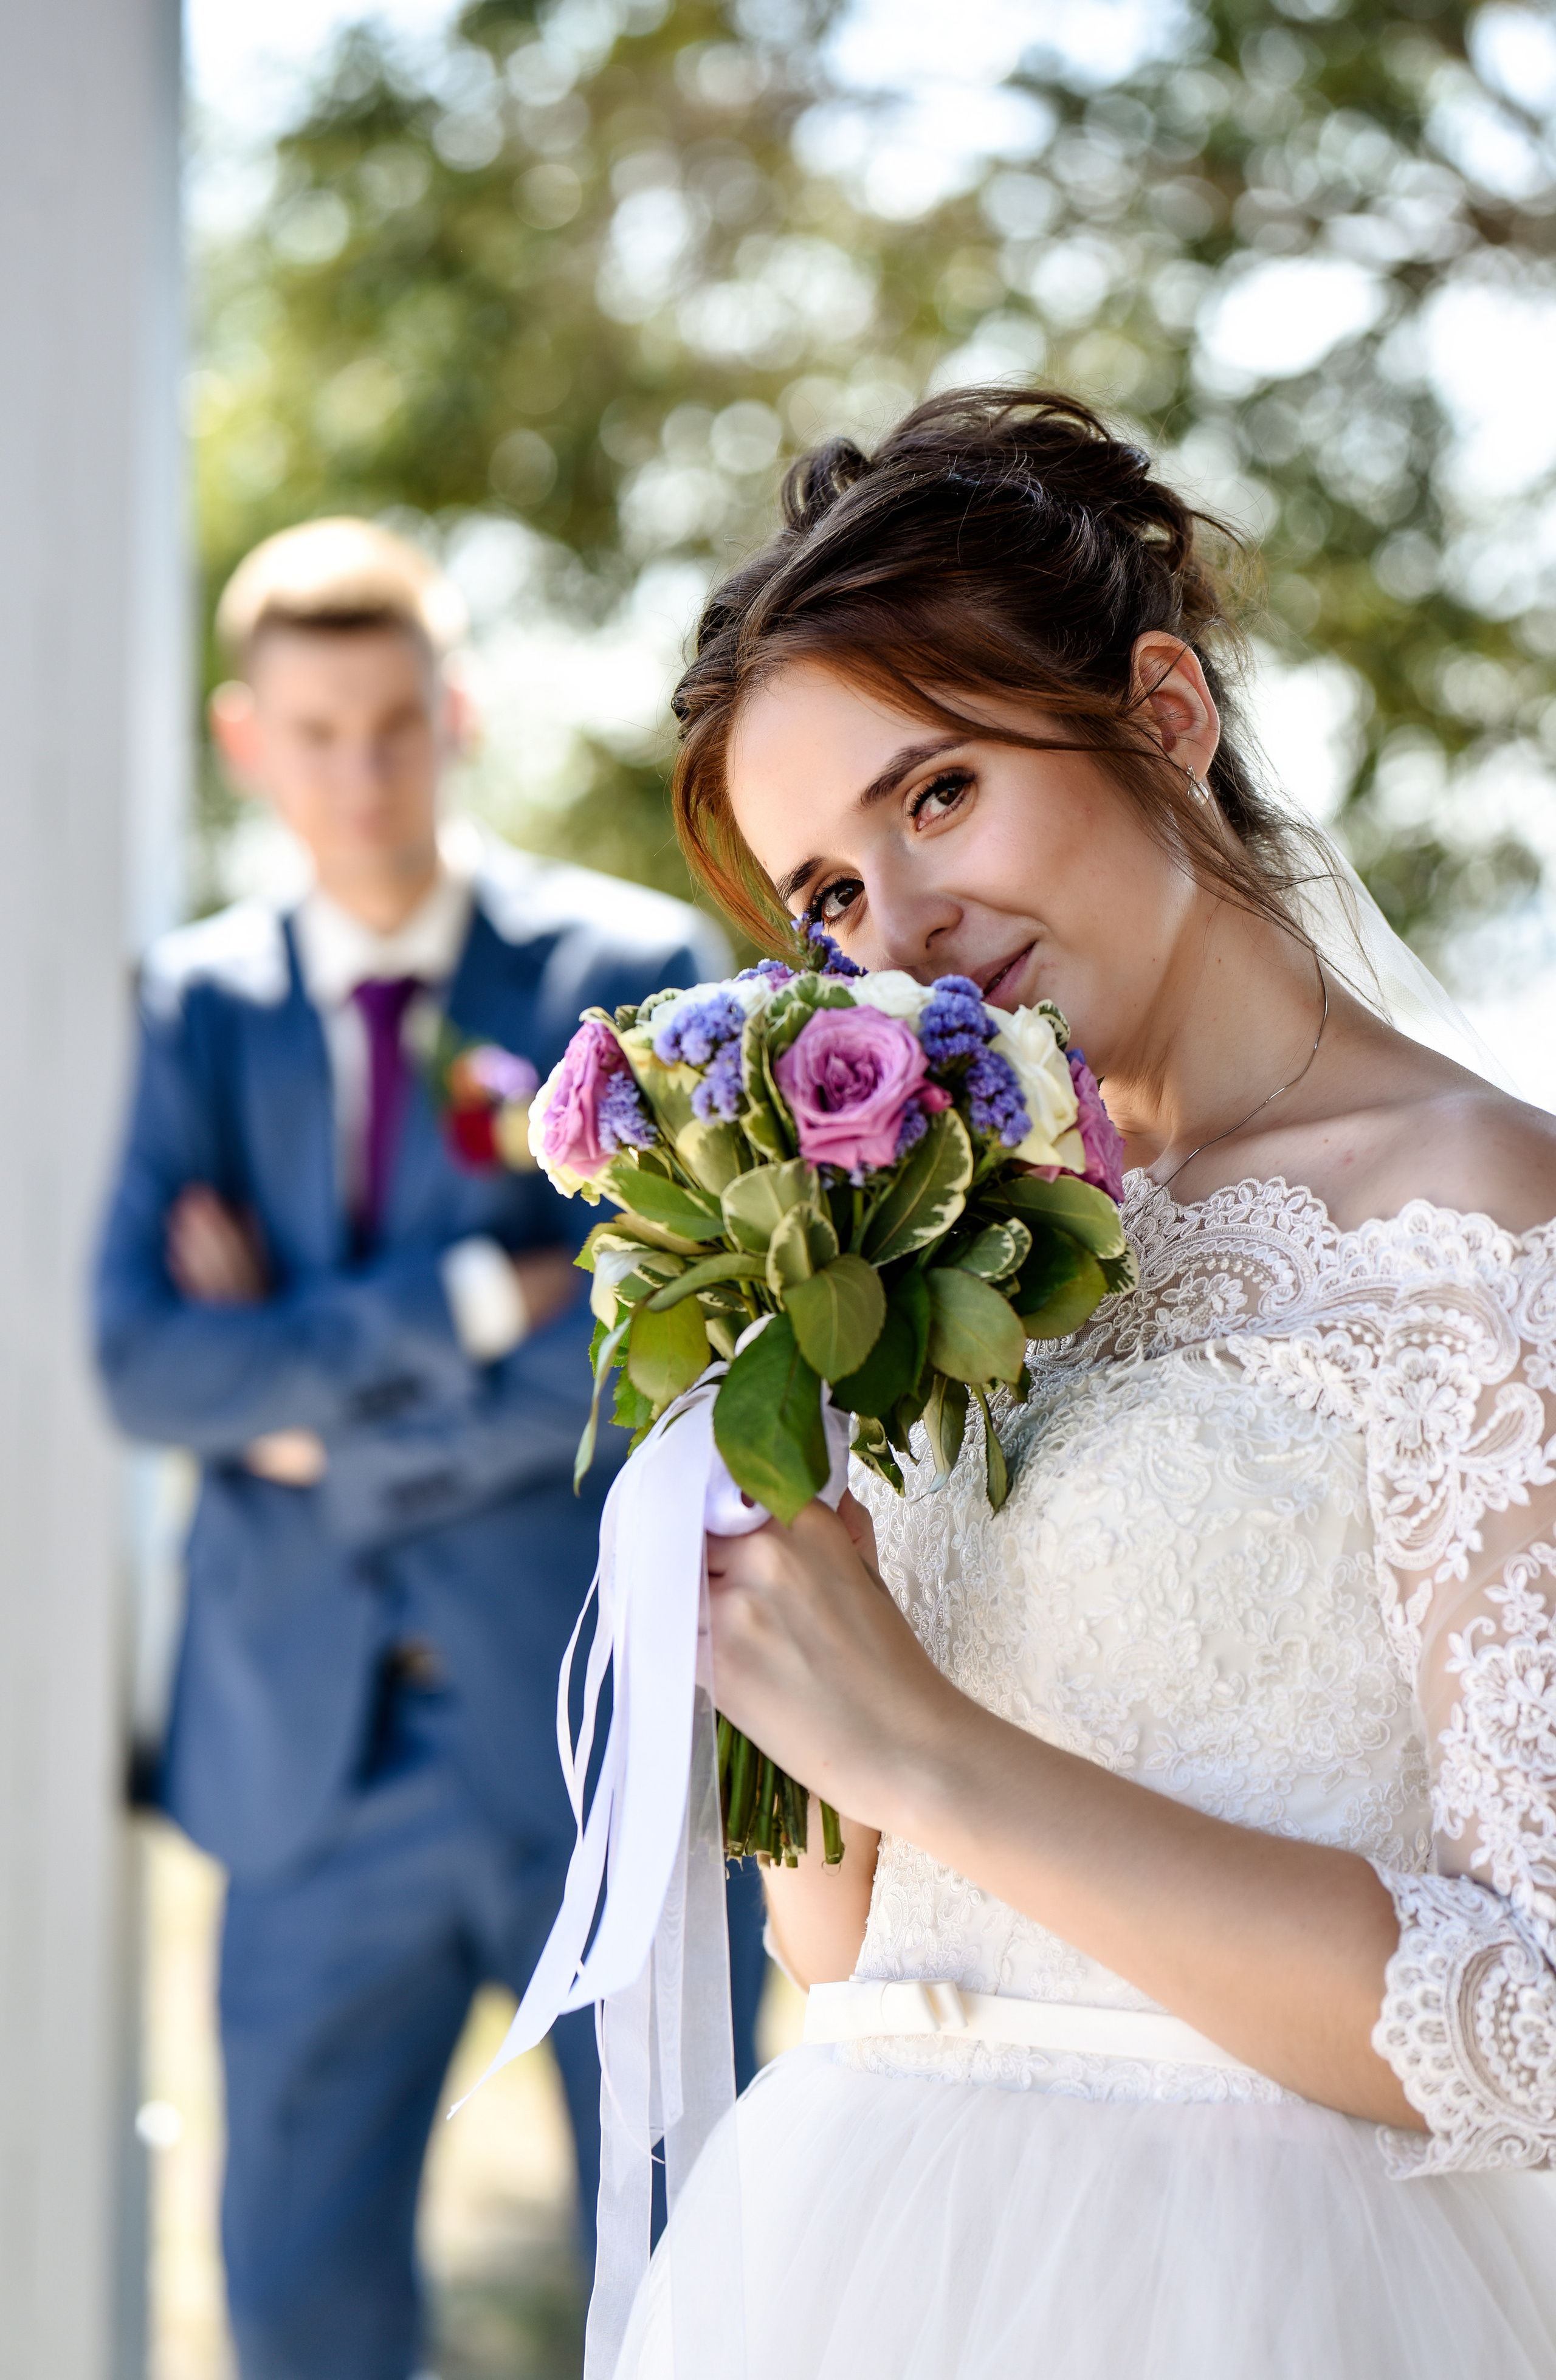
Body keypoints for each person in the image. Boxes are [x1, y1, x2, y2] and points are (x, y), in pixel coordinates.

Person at [612, 391, 1556, 2377]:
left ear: (1165, 713)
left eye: (939, 791)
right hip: (862, 2265)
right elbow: (847, 1947)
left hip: (1267, 2298)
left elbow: (1537, 2022)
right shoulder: (959, 1259)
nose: (904, 929)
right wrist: (787, 1542)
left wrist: (924, 1747)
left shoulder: (1482, 1221)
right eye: (829, 892)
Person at [95, 517, 769, 2380]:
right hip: (301, 1775)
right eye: (316, 732)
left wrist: (314, 1420)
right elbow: (145, 1361)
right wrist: (477, 1293)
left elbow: (648, 1352)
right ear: (248, 740)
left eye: (397, 722)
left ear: (456, 712)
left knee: (686, 2278)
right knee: (298, 2307)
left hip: (596, 1743)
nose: (362, 771)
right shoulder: (198, 1008)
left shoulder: (621, 969)